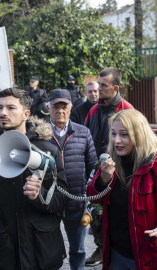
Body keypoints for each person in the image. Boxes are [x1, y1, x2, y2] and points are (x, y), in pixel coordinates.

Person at [0, 88, 68, 270]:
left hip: (41, 253)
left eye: (10, 108)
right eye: (0, 107)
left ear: (26, 114)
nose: (2, 112)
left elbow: (62, 199)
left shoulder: (48, 151)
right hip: (3, 251)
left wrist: (39, 196)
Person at [87, 109, 157, 270]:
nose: (116, 140)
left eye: (124, 134)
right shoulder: (111, 160)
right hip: (116, 251)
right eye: (113, 134)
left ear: (138, 135)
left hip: (145, 253)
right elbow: (91, 197)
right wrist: (103, 178)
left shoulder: (153, 164)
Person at [84, 67, 134, 266]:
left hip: (121, 174)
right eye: (98, 83)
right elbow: (87, 138)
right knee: (96, 216)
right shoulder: (94, 109)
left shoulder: (128, 111)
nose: (99, 88)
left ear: (115, 88)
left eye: (103, 85)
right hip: (97, 172)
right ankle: (101, 247)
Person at [47, 89, 97, 270]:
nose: (60, 111)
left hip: (76, 203)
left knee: (78, 249)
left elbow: (92, 165)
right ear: (48, 108)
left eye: (64, 106)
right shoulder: (39, 134)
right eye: (55, 107)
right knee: (49, 251)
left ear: (71, 108)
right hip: (48, 205)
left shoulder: (83, 132)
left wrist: (87, 198)